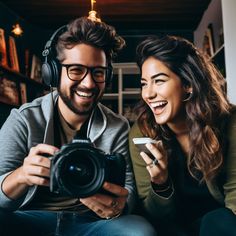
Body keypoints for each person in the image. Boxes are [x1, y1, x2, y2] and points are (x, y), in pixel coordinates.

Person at [0, 17, 156, 236]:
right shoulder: (24, 119)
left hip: (92, 223)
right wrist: (22, 175)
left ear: (107, 76)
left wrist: (119, 204)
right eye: (75, 70)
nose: (89, 83)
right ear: (53, 73)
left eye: (98, 72)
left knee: (139, 231)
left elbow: (128, 190)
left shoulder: (118, 126)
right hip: (30, 217)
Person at [129, 35, 236, 236]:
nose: (148, 94)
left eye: (159, 81)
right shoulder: (142, 132)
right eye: (144, 83)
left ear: (188, 84)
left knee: (219, 220)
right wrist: (160, 183)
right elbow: (154, 214)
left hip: (221, 224)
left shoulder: (229, 122)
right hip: (173, 228)